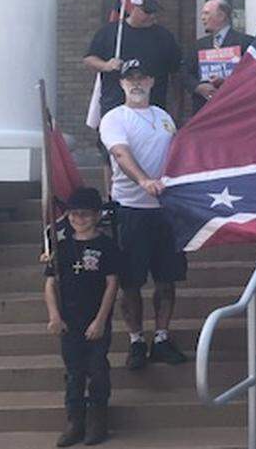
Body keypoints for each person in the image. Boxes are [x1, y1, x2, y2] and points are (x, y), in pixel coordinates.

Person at [98, 59, 187, 371]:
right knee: (131, 282)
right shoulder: (114, 118)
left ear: (151, 82)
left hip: (166, 211)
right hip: (131, 210)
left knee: (166, 279)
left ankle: (162, 337)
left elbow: (179, 154)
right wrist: (143, 180)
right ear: (121, 84)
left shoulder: (163, 117)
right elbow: (120, 153)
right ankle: (136, 340)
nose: (135, 83)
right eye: (129, 78)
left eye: (141, 77)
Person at [44, 187, 121, 446]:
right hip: (69, 320)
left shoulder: (107, 245)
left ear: (97, 215)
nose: (79, 219)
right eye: (74, 214)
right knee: (74, 371)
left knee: (97, 368)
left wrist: (100, 320)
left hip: (96, 318)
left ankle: (98, 419)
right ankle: (75, 421)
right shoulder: (61, 246)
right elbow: (50, 284)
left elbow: (112, 284)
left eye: (86, 214)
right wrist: (54, 315)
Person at [83, 0, 182, 115]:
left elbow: (176, 72)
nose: (151, 16)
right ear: (132, 8)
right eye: (147, 11)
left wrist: (176, 108)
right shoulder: (110, 32)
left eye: (154, 12)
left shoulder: (164, 36)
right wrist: (106, 65)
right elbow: (89, 59)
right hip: (115, 107)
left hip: (153, 109)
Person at [184, 0, 253, 114]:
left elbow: (253, 73)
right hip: (203, 108)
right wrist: (198, 87)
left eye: (206, 13)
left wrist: (228, 82)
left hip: (235, 107)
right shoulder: (198, 45)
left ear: (221, 16)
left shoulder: (246, 42)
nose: (202, 18)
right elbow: (184, 72)